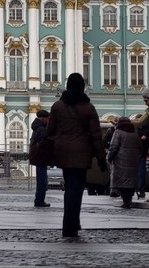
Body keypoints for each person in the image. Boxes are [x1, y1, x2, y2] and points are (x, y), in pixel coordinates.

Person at [46, 72, 106, 239]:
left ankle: (71, 222)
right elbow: (96, 135)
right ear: (82, 87)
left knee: (70, 189)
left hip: (63, 153)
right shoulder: (88, 108)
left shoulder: (57, 106)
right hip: (81, 154)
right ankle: (70, 226)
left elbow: (50, 131)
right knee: (76, 189)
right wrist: (101, 158)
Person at [107, 116, 140, 209]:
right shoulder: (135, 134)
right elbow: (140, 148)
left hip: (120, 162)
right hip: (133, 162)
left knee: (121, 183)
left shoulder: (118, 133)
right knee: (129, 183)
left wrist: (109, 157)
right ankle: (128, 201)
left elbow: (113, 147)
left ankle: (126, 201)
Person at [29, 109, 51, 207]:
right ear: (43, 119)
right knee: (42, 181)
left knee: (41, 180)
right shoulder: (42, 129)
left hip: (38, 157)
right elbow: (45, 143)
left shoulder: (37, 128)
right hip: (41, 157)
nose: (48, 121)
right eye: (47, 119)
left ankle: (39, 199)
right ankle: (39, 200)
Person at [135, 121, 149, 199]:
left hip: (138, 154)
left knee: (140, 173)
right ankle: (141, 190)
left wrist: (146, 138)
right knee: (141, 173)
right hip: (142, 154)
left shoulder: (137, 130)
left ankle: (139, 189)